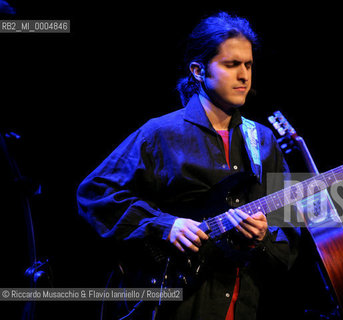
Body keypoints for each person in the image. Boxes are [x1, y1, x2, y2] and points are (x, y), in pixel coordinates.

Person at [77, 11, 299, 320]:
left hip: (242, 301)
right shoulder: (161, 133)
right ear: (197, 71)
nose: (244, 75)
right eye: (231, 64)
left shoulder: (262, 140)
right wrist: (165, 225)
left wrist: (264, 237)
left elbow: (290, 225)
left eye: (248, 65)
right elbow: (95, 193)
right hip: (174, 303)